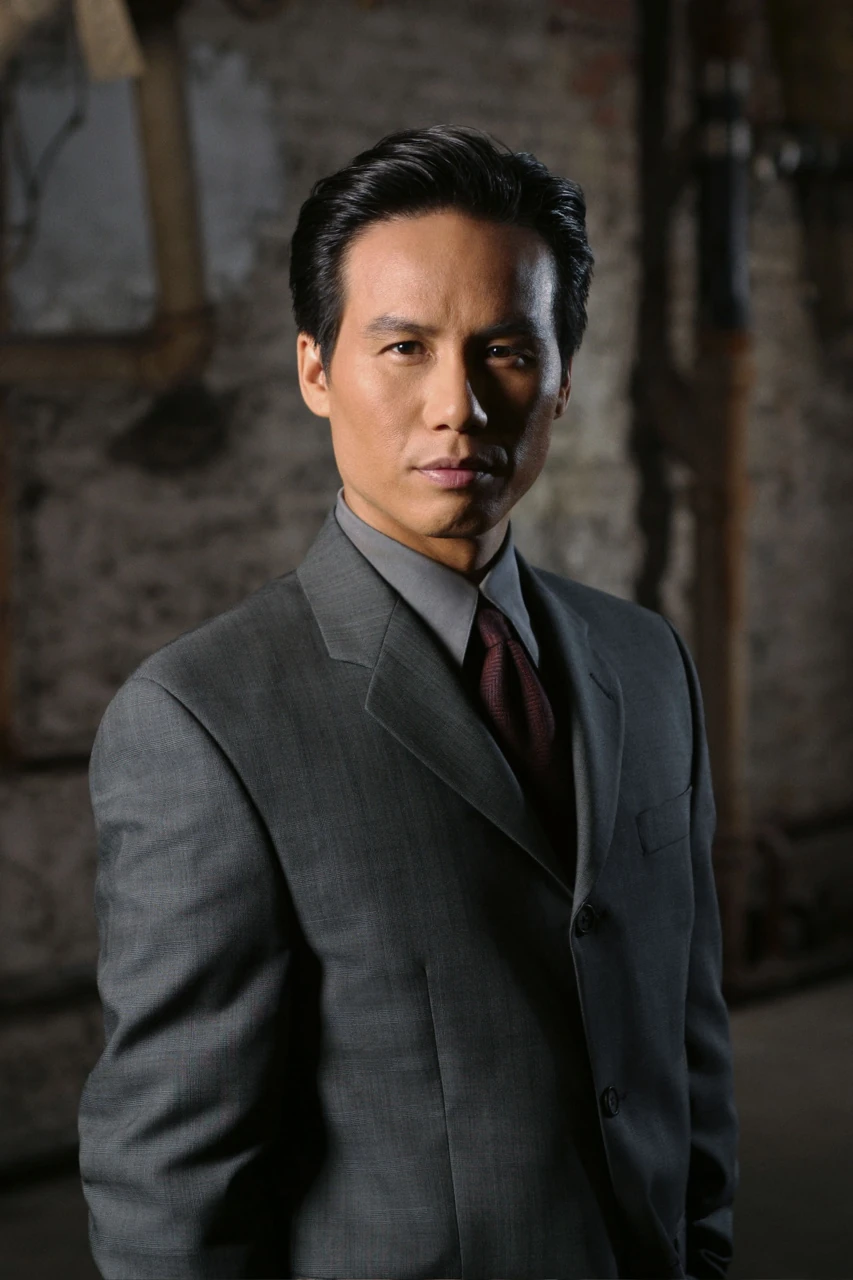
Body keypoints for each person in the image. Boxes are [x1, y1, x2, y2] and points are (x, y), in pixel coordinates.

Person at [78, 124, 738, 1280]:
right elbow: (168, 1191)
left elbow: (687, 1043)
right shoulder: (199, 721)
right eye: (403, 347)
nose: (458, 406)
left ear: (561, 379)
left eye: (505, 350)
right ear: (314, 370)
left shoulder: (646, 663)